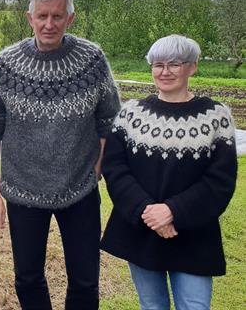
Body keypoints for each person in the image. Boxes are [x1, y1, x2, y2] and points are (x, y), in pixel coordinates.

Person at [0, 0, 121, 310]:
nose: (49, 24)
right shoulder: (6, 66)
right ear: (30, 17)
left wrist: (94, 171)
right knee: (27, 277)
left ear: (71, 18)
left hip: (80, 191)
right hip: (23, 191)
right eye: (42, 16)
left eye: (57, 16)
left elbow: (109, 122)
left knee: (85, 281)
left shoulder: (92, 61)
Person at [100, 35, 237, 310]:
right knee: (152, 306)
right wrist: (148, 210)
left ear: (192, 67)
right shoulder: (130, 115)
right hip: (142, 231)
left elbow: (220, 180)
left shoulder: (216, 116)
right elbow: (115, 169)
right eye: (158, 64)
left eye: (174, 64)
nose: (165, 71)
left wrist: (172, 211)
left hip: (195, 235)